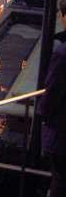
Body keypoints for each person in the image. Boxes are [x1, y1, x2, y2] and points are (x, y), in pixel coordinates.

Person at [36, 36, 66, 196]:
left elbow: (52, 92)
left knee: (60, 180)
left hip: (60, 134)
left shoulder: (62, 53)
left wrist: (42, 113)